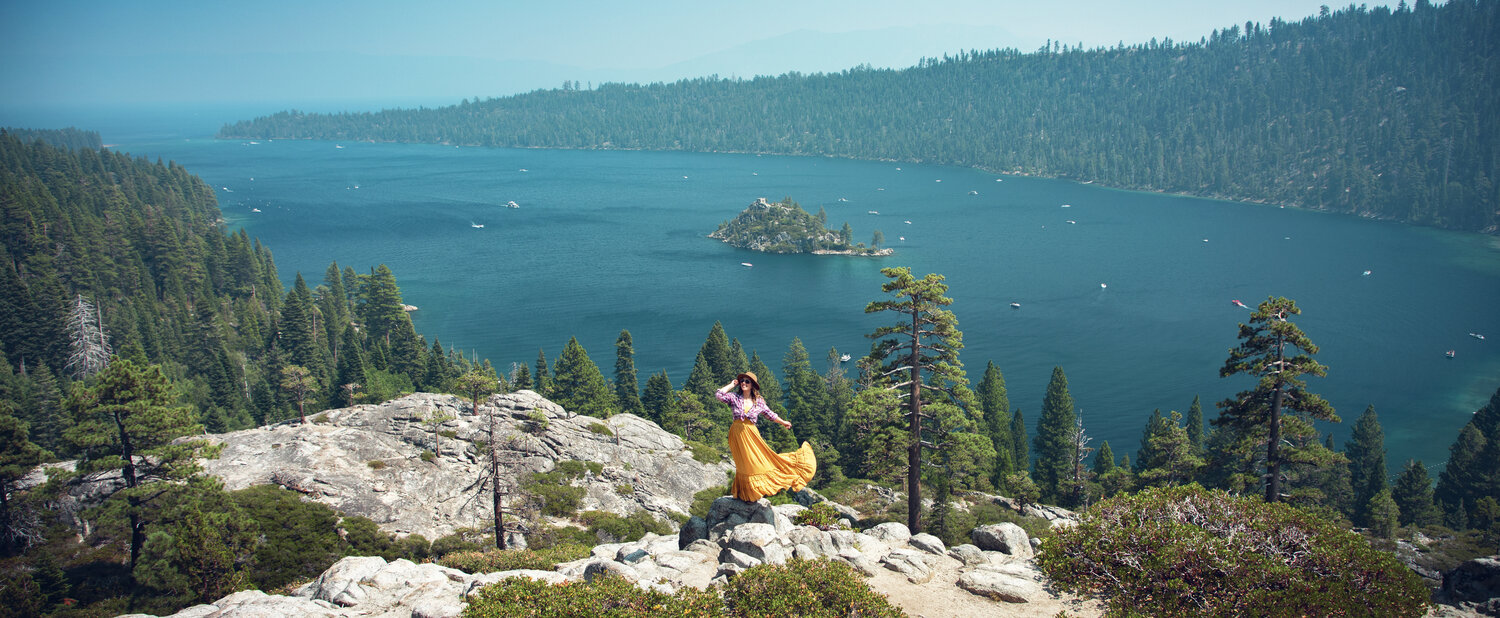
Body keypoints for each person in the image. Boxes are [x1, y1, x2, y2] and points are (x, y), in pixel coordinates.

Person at [715, 372, 816, 502]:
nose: (744, 383)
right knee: (743, 464)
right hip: (736, 434)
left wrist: (783, 422)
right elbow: (719, 395)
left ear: (752, 385)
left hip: (751, 434)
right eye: (742, 381)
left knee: (757, 462)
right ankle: (745, 494)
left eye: (747, 381)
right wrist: (731, 384)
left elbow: (770, 415)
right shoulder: (734, 397)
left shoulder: (759, 402)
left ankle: (754, 491)